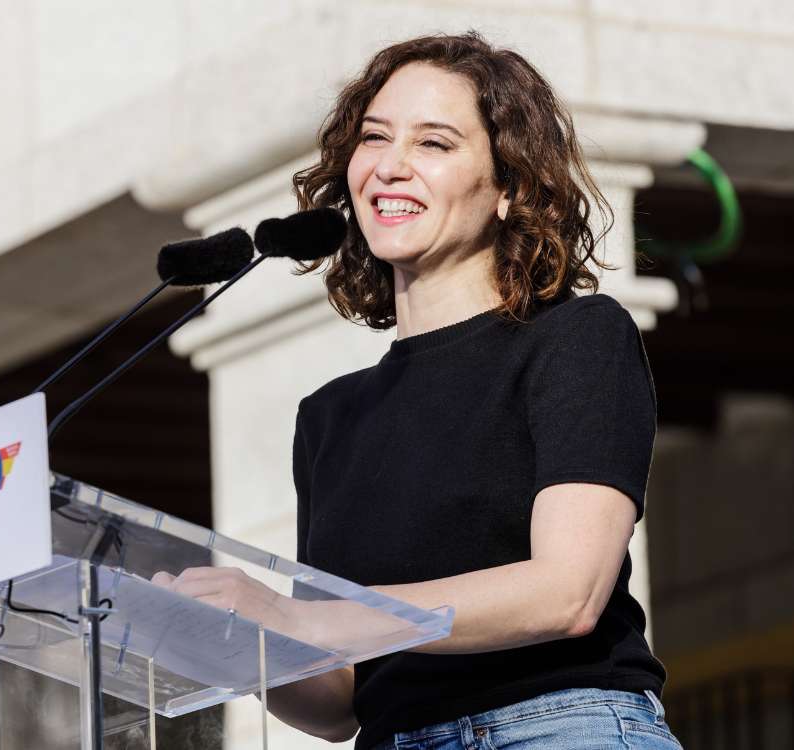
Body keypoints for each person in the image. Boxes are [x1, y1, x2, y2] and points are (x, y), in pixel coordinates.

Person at [150, 31, 682, 749]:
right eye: (375, 138)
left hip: (555, 725)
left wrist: (303, 616)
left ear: (509, 190)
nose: (390, 168)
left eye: (434, 144)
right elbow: (338, 699)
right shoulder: (330, 417)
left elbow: (568, 593)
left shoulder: (577, 338)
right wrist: (241, 641)